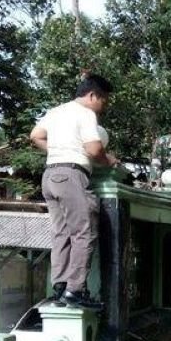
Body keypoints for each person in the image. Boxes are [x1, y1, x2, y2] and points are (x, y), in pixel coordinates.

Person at [30, 74, 118, 307]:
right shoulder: (86, 113)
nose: (104, 106)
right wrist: (108, 160)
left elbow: (35, 136)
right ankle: (75, 291)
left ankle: (60, 287)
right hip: (72, 175)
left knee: (61, 233)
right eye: (104, 100)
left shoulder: (56, 111)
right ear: (92, 95)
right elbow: (94, 149)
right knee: (83, 232)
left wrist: (58, 149)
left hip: (50, 175)